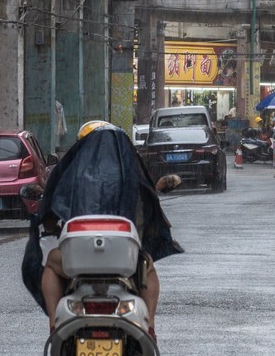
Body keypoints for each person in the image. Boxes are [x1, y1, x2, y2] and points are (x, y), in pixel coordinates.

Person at [22, 120, 183, 338]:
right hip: (123, 260)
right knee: (147, 266)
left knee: (51, 261)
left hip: (77, 260)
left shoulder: (72, 176)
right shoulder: (130, 176)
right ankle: (150, 326)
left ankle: (54, 325)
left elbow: (50, 208)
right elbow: (150, 208)